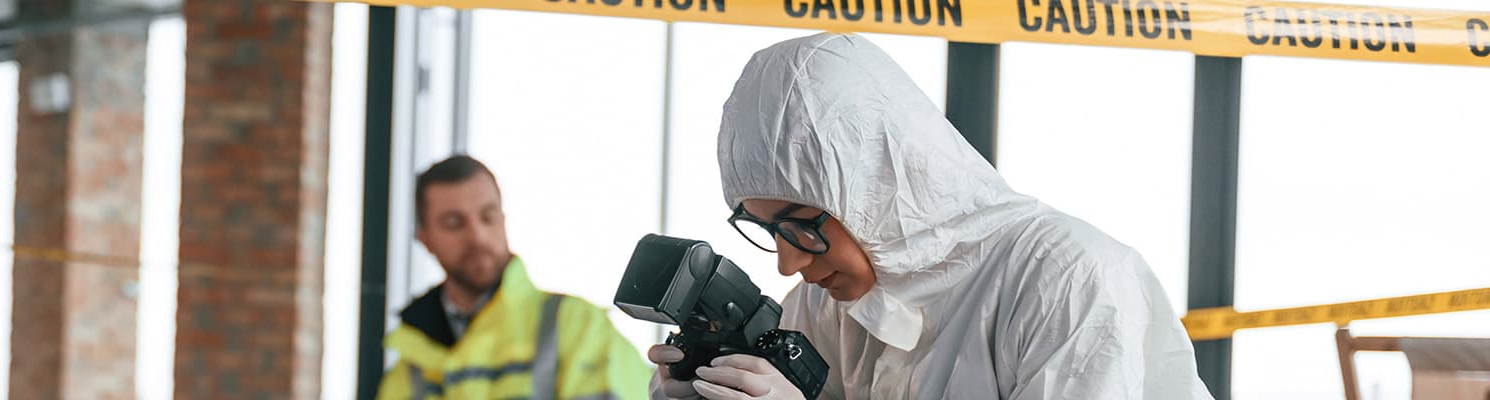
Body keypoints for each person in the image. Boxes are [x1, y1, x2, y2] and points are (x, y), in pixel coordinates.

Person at [647, 33, 1212, 399]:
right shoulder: (828, 299)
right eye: (769, 231)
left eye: (802, 226)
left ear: (878, 183)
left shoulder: (1067, 279)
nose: (788, 264)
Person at [379, 155, 651, 400]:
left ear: (503, 219)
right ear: (425, 239)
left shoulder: (578, 327)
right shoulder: (409, 367)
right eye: (454, 223)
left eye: (488, 217)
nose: (478, 236)